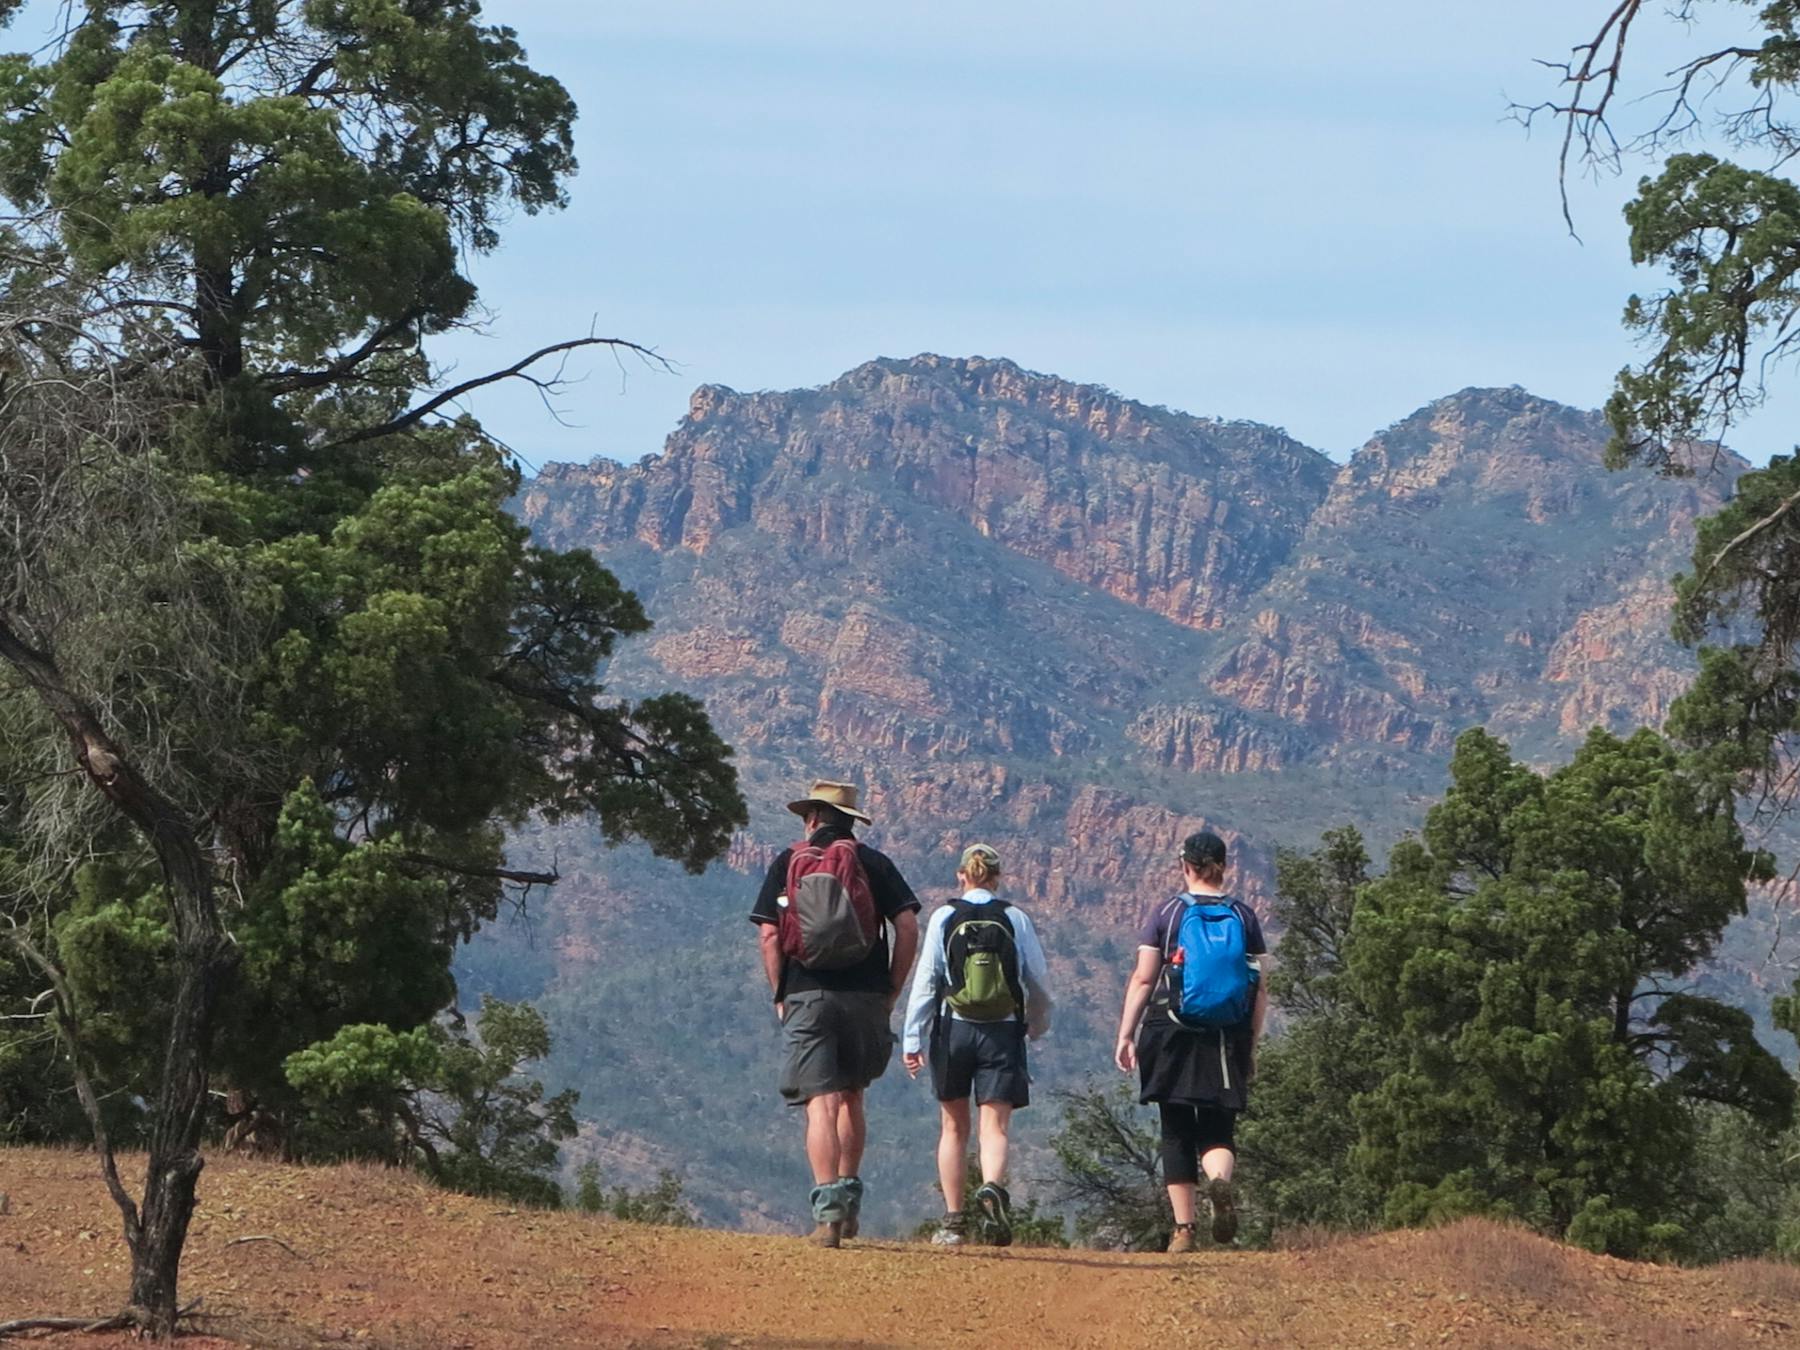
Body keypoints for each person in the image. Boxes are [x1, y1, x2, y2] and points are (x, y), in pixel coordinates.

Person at [750, 779, 921, 1248]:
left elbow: (768, 936)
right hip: (866, 996)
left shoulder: (788, 862)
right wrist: (892, 988)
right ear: (851, 821)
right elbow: (907, 925)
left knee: (820, 1104)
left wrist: (781, 993)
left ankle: (826, 1215)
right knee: (852, 1097)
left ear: (811, 819)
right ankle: (849, 1206)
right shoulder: (872, 862)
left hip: (808, 994)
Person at [1114, 829, 1268, 1253]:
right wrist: (1249, 1047)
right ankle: (1218, 1182)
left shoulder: (1169, 913)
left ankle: (1184, 1230)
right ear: (1224, 866)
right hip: (1226, 1035)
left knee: (1176, 1126)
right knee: (1218, 1125)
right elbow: (1261, 988)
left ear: (1185, 865)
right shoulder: (1244, 916)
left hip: (1172, 1030)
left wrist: (1127, 1033)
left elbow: (1145, 977)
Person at [901, 843, 1053, 1247]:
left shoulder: (945, 917)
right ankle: (991, 1187)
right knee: (995, 1126)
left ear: (961, 875)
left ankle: (953, 1222)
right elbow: (1038, 980)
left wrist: (912, 1038)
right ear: (997, 877)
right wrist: (1035, 1025)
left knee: (953, 1127)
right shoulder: (1015, 918)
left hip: (953, 1031)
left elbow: (927, 981)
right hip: (1002, 1032)